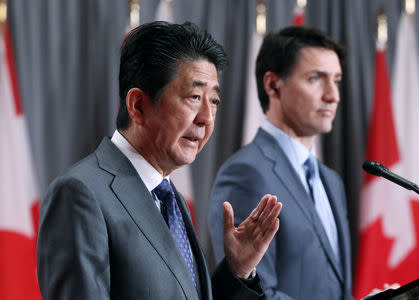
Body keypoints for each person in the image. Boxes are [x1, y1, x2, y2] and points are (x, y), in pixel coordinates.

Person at [37, 21, 282, 300]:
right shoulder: (80, 194)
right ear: (138, 106)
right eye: (194, 97)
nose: (207, 118)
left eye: (213, 101)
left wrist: (237, 271)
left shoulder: (170, 199)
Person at [208, 25, 353, 299]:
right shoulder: (246, 173)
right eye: (316, 79)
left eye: (337, 81)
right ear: (273, 85)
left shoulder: (331, 181)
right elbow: (254, 294)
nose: (333, 95)